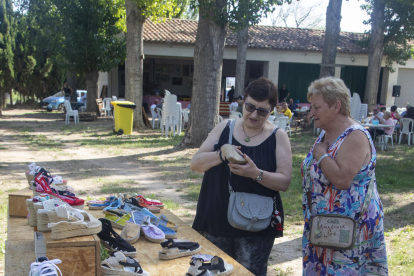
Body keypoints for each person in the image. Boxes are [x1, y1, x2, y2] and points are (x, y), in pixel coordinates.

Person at [191, 77, 292, 276]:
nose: (254, 114)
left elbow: (285, 181)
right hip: (216, 219)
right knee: (212, 273)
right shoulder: (225, 128)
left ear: (272, 109)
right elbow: (196, 163)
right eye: (250, 107)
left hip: (255, 224)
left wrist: (256, 174)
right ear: (242, 101)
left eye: (262, 110)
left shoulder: (278, 136)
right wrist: (221, 154)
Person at [301, 77, 388, 275]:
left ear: (336, 106)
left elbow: (341, 180)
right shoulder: (326, 134)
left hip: (348, 230)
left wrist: (321, 155)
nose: (311, 112)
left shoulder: (355, 136)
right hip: (324, 227)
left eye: (316, 107)